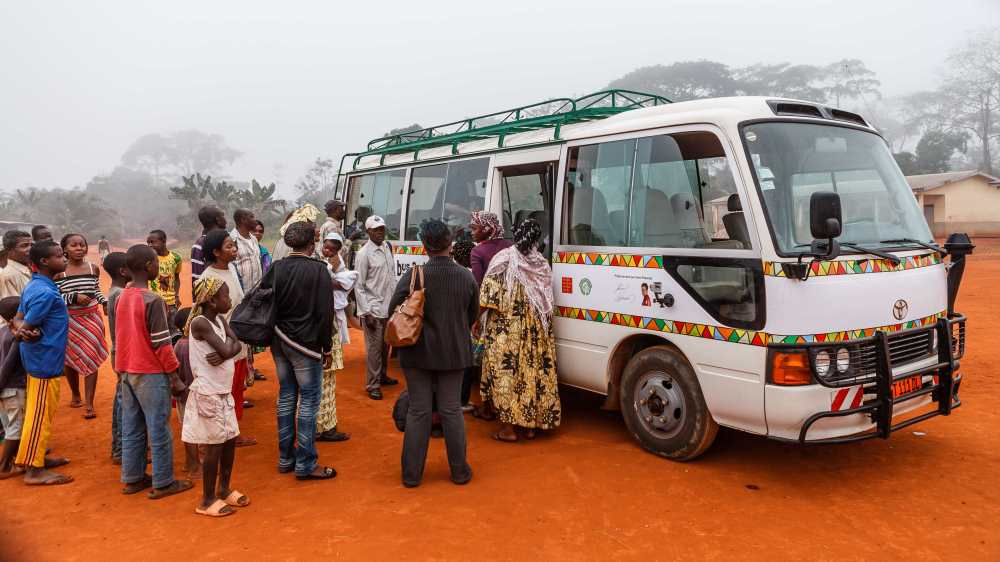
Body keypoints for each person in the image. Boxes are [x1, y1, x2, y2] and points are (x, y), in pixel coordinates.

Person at [388, 219, 477, 488]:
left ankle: (411, 475)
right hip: (454, 353)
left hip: (417, 354)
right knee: (451, 410)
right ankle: (459, 472)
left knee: (418, 411)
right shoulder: (466, 276)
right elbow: (472, 315)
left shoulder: (414, 275)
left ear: (424, 245)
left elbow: (394, 309)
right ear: (450, 243)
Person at [115, 244, 193, 499]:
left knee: (133, 426)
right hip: (150, 371)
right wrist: (174, 377)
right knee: (159, 427)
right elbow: (161, 343)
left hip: (127, 370)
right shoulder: (153, 300)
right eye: (156, 264)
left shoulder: (120, 297)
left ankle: (133, 477)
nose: (158, 267)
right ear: (149, 266)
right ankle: (163, 481)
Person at [260, 221, 336, 480]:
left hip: (279, 341)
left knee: (286, 397)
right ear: (311, 244)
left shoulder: (276, 268)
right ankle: (305, 463)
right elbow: (325, 314)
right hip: (306, 344)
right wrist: (327, 347)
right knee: (309, 401)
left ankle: (285, 458)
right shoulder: (319, 271)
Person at [479, 219, 561, 442]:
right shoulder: (542, 265)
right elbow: (547, 303)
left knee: (508, 375)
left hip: (508, 331)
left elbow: (488, 298)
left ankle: (508, 430)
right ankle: (530, 426)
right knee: (533, 375)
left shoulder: (504, 260)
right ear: (536, 239)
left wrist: (475, 321)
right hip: (536, 334)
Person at [182, 278, 249, 517]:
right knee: (213, 446)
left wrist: (226, 352)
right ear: (211, 300)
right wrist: (226, 351)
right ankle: (207, 499)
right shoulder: (201, 323)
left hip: (222, 391)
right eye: (225, 296)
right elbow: (229, 348)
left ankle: (224, 489)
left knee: (229, 439)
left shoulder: (219, 319)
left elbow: (235, 344)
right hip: (208, 392)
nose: (229, 300)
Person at [9, 240, 72, 485]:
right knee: (39, 414)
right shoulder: (45, 292)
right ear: (44, 262)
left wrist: (19, 329)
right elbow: (24, 324)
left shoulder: (36, 285)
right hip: (44, 359)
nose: (64, 257)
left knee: (40, 411)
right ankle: (34, 471)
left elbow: (18, 319)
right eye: (59, 255)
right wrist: (22, 330)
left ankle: (31, 458)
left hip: (40, 357)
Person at [200, 230, 257, 447]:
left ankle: (233, 434)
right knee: (222, 393)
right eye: (228, 247)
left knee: (236, 390)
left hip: (237, 343)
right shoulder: (208, 278)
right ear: (215, 252)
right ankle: (218, 437)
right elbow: (206, 318)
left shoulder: (231, 269)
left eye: (234, 245)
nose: (234, 249)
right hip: (223, 346)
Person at [0, 297, 64, 479]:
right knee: (16, 428)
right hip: (13, 388)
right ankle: (4, 466)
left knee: (14, 425)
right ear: (14, 318)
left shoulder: (3, 332)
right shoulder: (17, 337)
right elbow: (8, 365)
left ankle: (28, 458)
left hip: (6, 389)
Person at [55, 234, 108, 420]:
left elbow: (96, 290)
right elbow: (54, 298)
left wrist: (104, 302)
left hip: (92, 318)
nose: (79, 248)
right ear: (64, 249)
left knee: (91, 358)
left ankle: (89, 404)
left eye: (82, 245)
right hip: (70, 320)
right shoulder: (59, 272)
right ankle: (75, 394)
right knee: (70, 359)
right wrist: (73, 297)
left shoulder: (93, 268)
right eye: (73, 245)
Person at [354, 215, 399, 400]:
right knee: (374, 349)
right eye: (376, 229)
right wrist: (365, 312)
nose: (380, 232)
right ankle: (373, 384)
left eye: (382, 228)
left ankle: (382, 376)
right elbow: (359, 285)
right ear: (368, 232)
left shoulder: (387, 247)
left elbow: (391, 277)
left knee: (385, 345)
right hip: (372, 309)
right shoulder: (364, 254)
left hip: (388, 307)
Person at [316, 232, 352, 443]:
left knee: (323, 382)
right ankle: (324, 427)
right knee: (325, 380)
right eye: (326, 247)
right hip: (326, 331)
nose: (328, 251)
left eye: (332, 249)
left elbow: (344, 286)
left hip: (326, 328)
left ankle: (323, 425)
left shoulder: (337, 265)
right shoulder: (321, 266)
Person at [104, 251, 130, 464]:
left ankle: (120, 446)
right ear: (123, 271)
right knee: (124, 401)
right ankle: (121, 449)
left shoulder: (114, 292)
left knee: (121, 399)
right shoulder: (121, 295)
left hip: (120, 351)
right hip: (125, 353)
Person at [172, 308, 201, 478]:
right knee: (193, 431)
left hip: (182, 395)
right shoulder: (189, 346)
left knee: (187, 429)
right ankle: (194, 466)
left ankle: (190, 463)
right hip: (191, 394)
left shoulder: (179, 345)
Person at [147, 230, 183, 333]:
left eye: (152, 242)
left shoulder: (176, 258)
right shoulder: (149, 259)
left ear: (163, 241)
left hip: (171, 304)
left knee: (174, 334)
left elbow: (176, 278)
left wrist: (176, 296)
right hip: (153, 304)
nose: (150, 245)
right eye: (148, 242)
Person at [469, 211, 513, 285]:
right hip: (510, 293)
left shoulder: (477, 251)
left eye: (474, 229)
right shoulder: (511, 245)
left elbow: (477, 281)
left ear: (486, 229)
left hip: (489, 294)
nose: (471, 233)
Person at [191, 206, 228, 291]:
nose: (226, 219)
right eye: (223, 215)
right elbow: (197, 278)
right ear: (218, 220)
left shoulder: (227, 240)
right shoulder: (200, 245)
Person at [230, 209, 263, 291]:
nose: (255, 220)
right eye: (252, 217)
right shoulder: (231, 240)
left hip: (257, 291)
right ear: (243, 220)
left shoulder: (254, 239)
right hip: (241, 293)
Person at [0, 231, 32, 301]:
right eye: (24, 245)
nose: (30, 249)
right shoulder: (8, 275)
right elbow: (12, 307)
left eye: (31, 245)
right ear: (9, 250)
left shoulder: (31, 269)